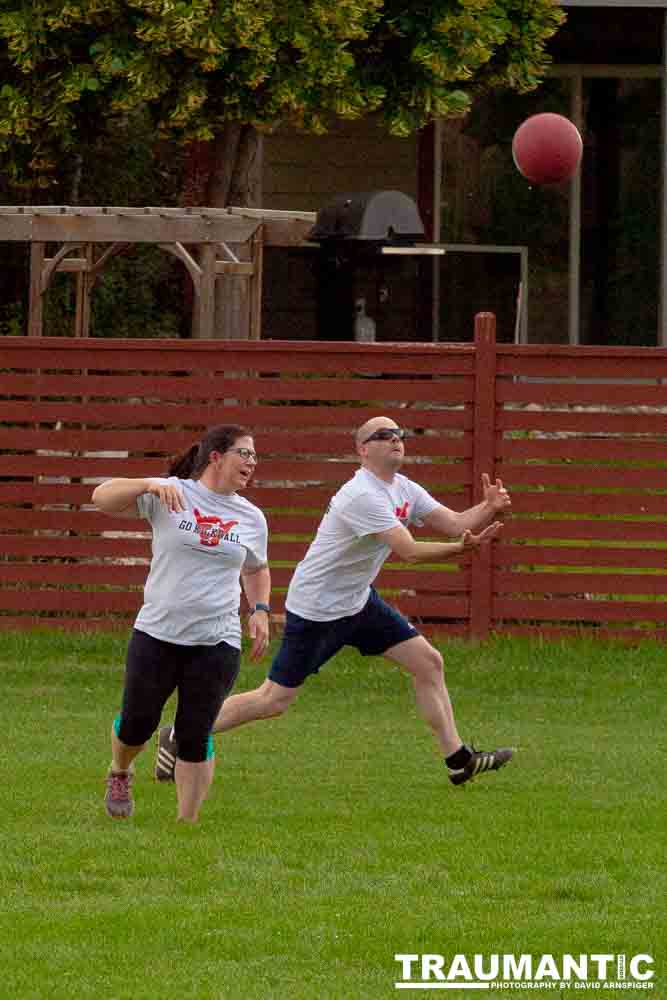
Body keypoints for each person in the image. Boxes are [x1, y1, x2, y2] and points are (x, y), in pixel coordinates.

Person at [156, 416, 513, 790]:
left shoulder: (403, 488)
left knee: (429, 662)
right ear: (363, 450)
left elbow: (457, 523)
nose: (396, 440)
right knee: (273, 700)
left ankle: (459, 760)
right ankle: (179, 733)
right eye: (384, 435)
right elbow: (408, 550)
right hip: (317, 611)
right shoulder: (361, 495)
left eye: (399, 434)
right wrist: (461, 549)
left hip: (358, 604)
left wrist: (487, 507)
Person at [93, 424, 270, 822]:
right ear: (216, 456)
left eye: (255, 456)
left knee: (196, 731)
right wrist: (149, 484)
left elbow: (256, 568)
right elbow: (100, 498)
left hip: (218, 639)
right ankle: (120, 771)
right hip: (158, 631)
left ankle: (185, 826)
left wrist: (259, 609)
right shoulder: (171, 493)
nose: (252, 463)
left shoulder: (251, 517)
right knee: (138, 721)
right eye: (245, 453)